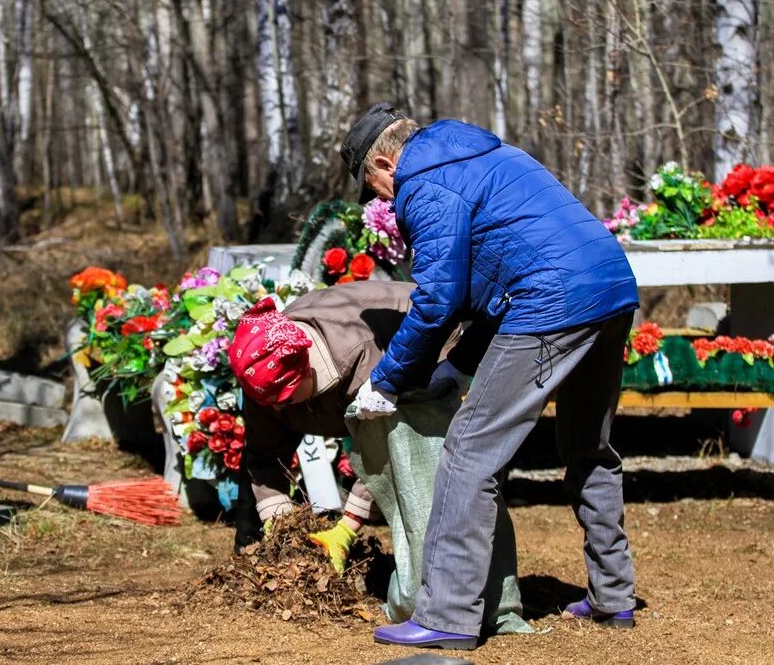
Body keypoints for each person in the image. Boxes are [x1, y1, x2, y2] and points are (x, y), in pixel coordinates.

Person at [341, 103, 640, 650]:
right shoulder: (488, 154)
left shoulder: (422, 185)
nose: (383, 200)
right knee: (587, 445)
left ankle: (447, 616)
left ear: (385, 163)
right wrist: (456, 366)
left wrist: (384, 383)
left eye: (374, 187)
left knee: (470, 451)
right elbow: (488, 280)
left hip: (554, 301)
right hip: (612, 286)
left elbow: (437, 299)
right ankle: (614, 595)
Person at [229, 282, 490, 574]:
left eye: (283, 399)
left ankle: (443, 572)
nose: (275, 408)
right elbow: (264, 454)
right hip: (337, 358)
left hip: (433, 341)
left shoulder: (364, 363)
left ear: (306, 370)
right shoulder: (263, 369)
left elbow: (388, 451)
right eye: (268, 401)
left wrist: (345, 530)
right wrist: (281, 529)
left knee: (425, 465)